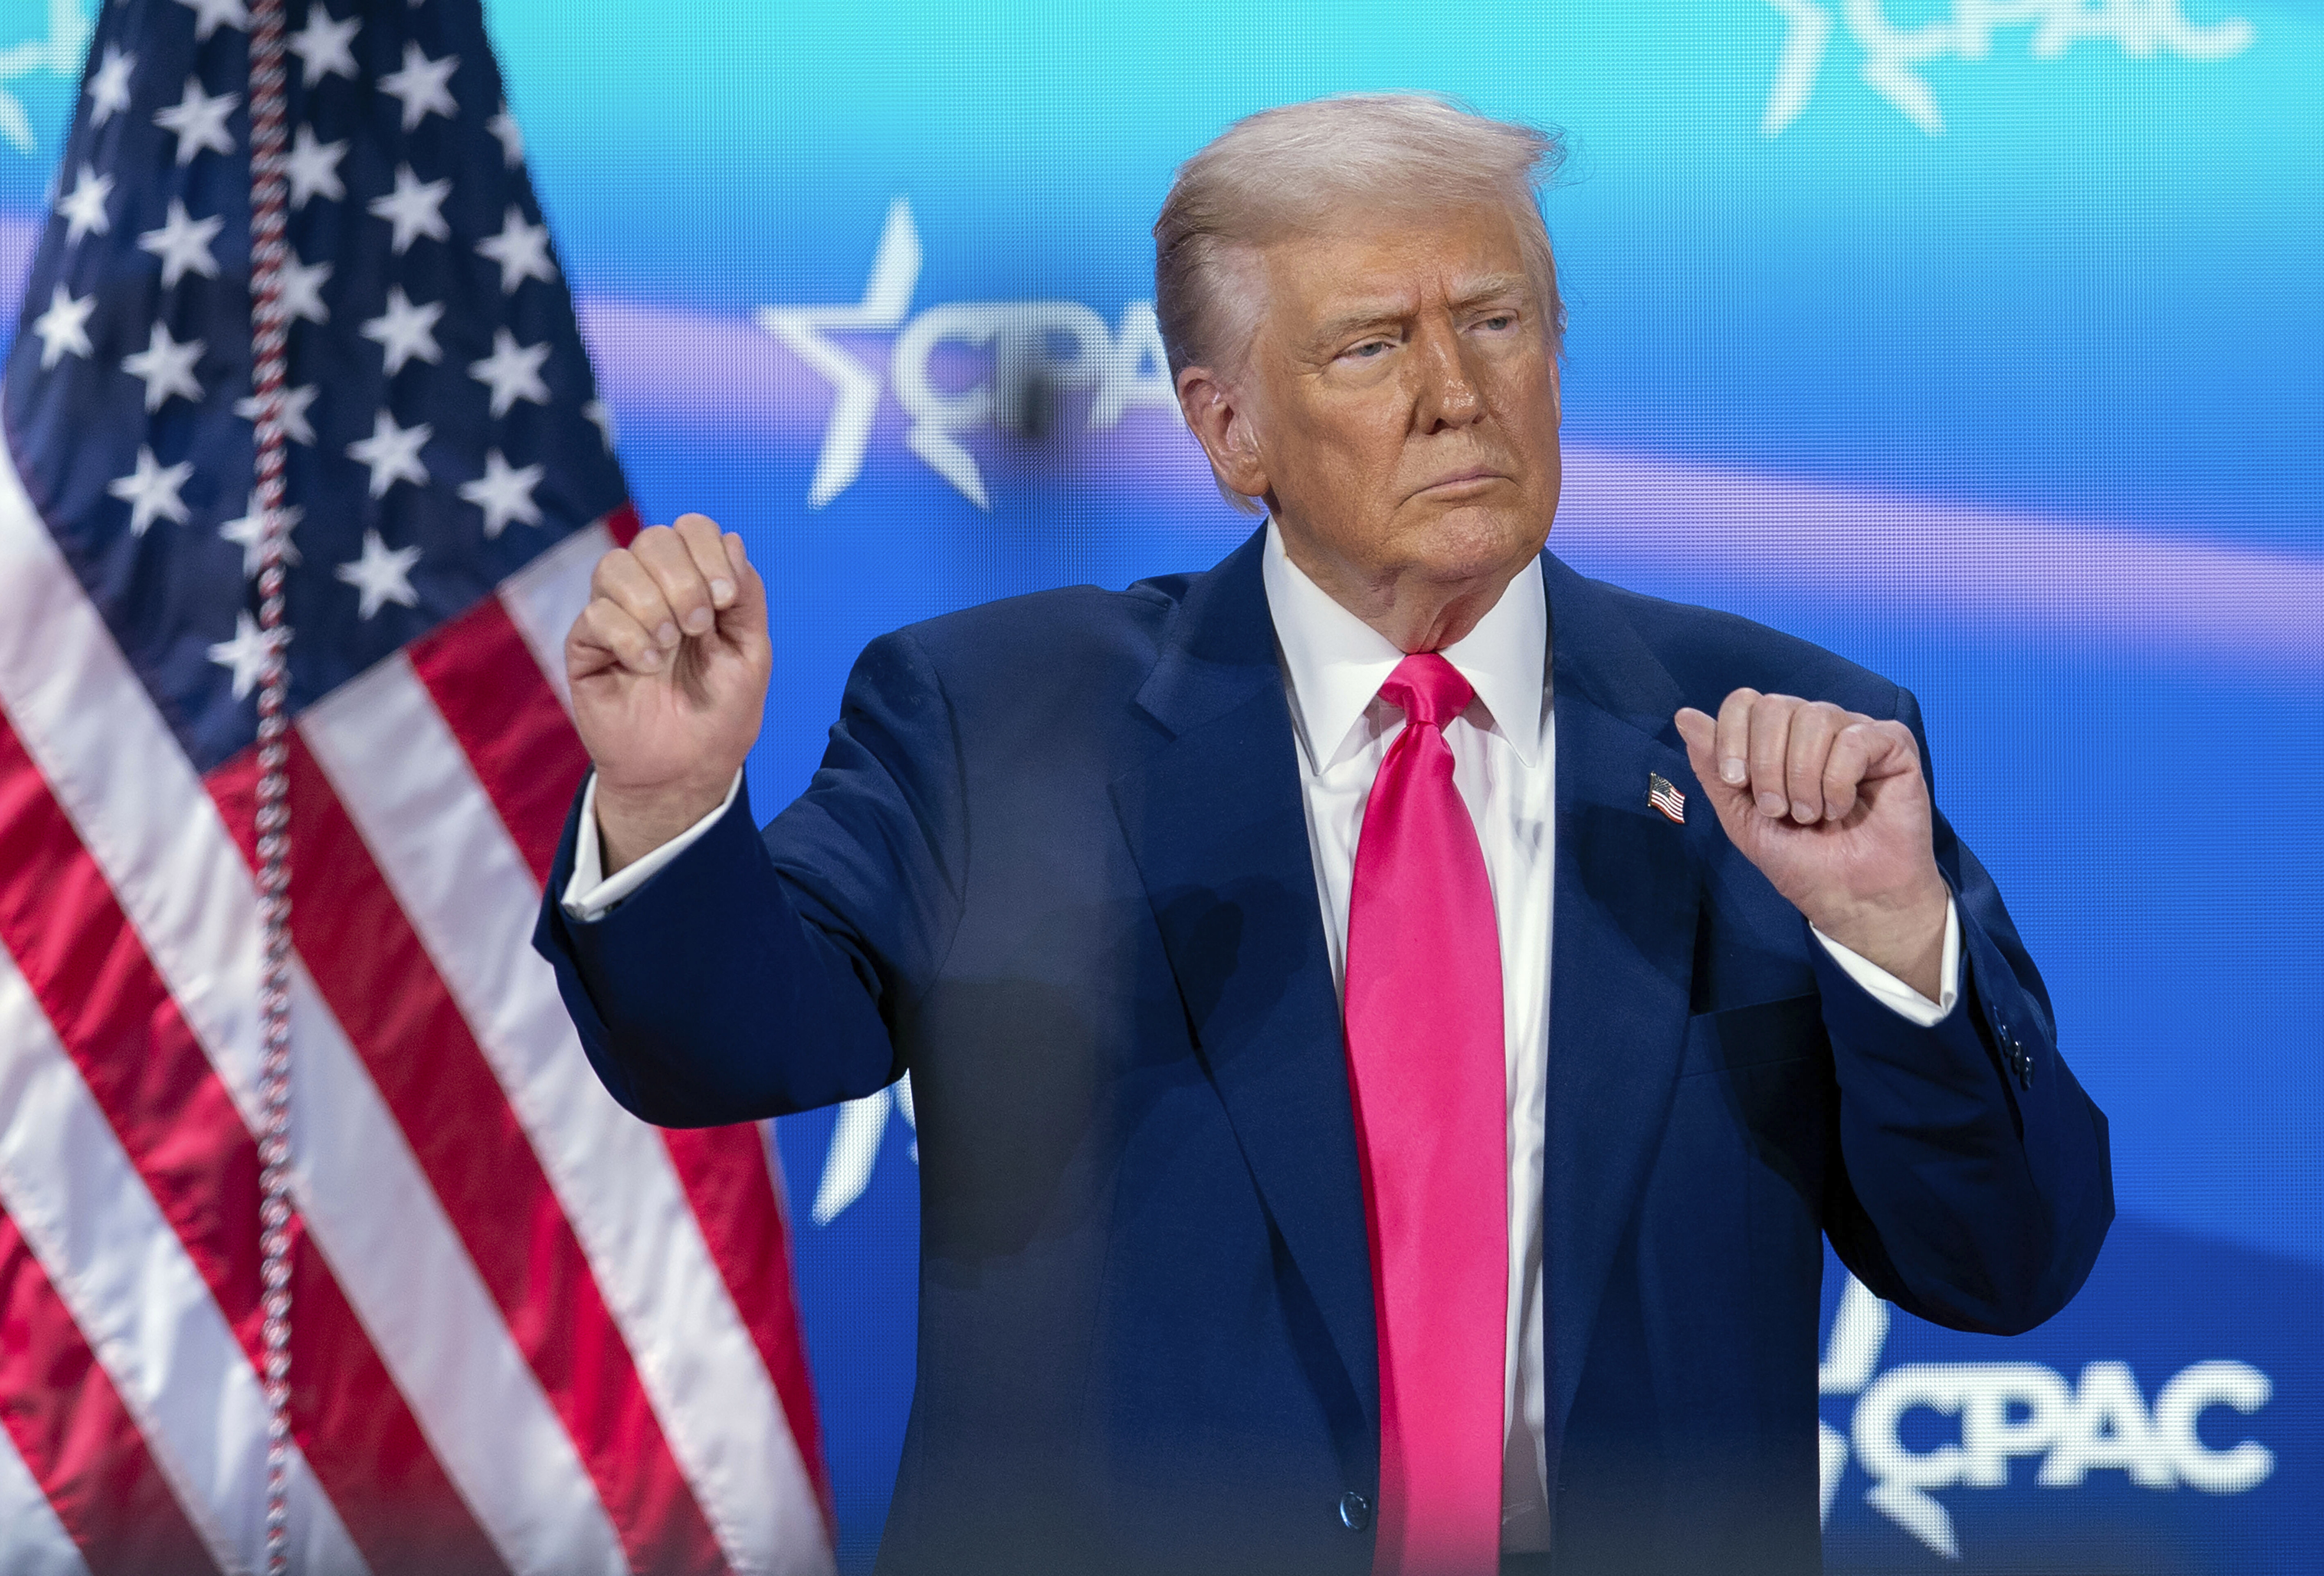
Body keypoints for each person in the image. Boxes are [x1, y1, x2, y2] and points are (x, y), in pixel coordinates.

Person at [533, 94, 2112, 1576]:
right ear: (1231, 431)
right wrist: (670, 805)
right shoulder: (998, 721)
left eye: (1495, 323)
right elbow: (725, 1049)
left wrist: (1893, 939)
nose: (1455, 393)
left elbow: (2004, 1261)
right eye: (1371, 346)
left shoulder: (1780, 740)